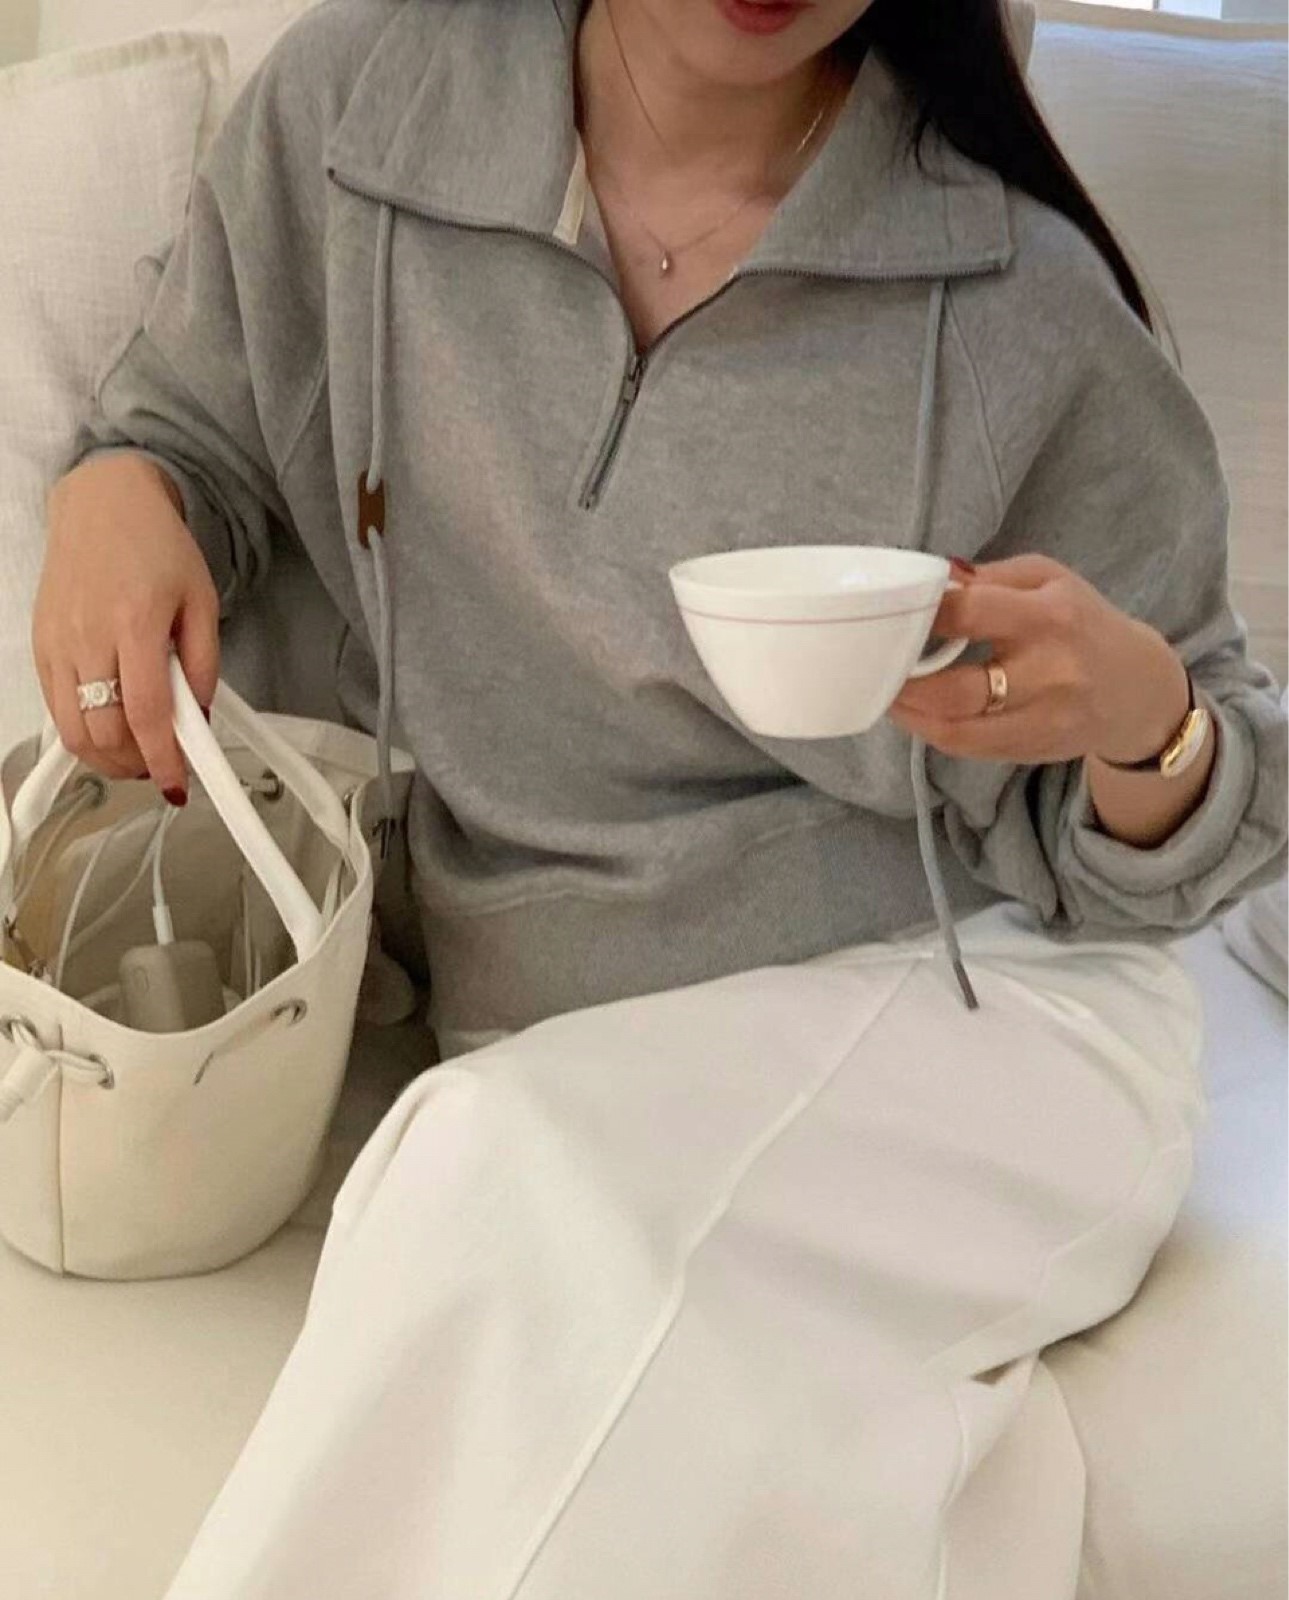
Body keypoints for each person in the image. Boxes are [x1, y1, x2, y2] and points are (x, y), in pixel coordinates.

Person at [32, 0, 1288, 1592]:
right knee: (533, 1238)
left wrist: (1144, 725)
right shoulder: (364, 120)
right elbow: (188, 423)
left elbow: (1197, 808)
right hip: (567, 1048)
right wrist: (116, 489)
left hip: (982, 1016)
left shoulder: (1014, 296)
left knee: (485, 1175)